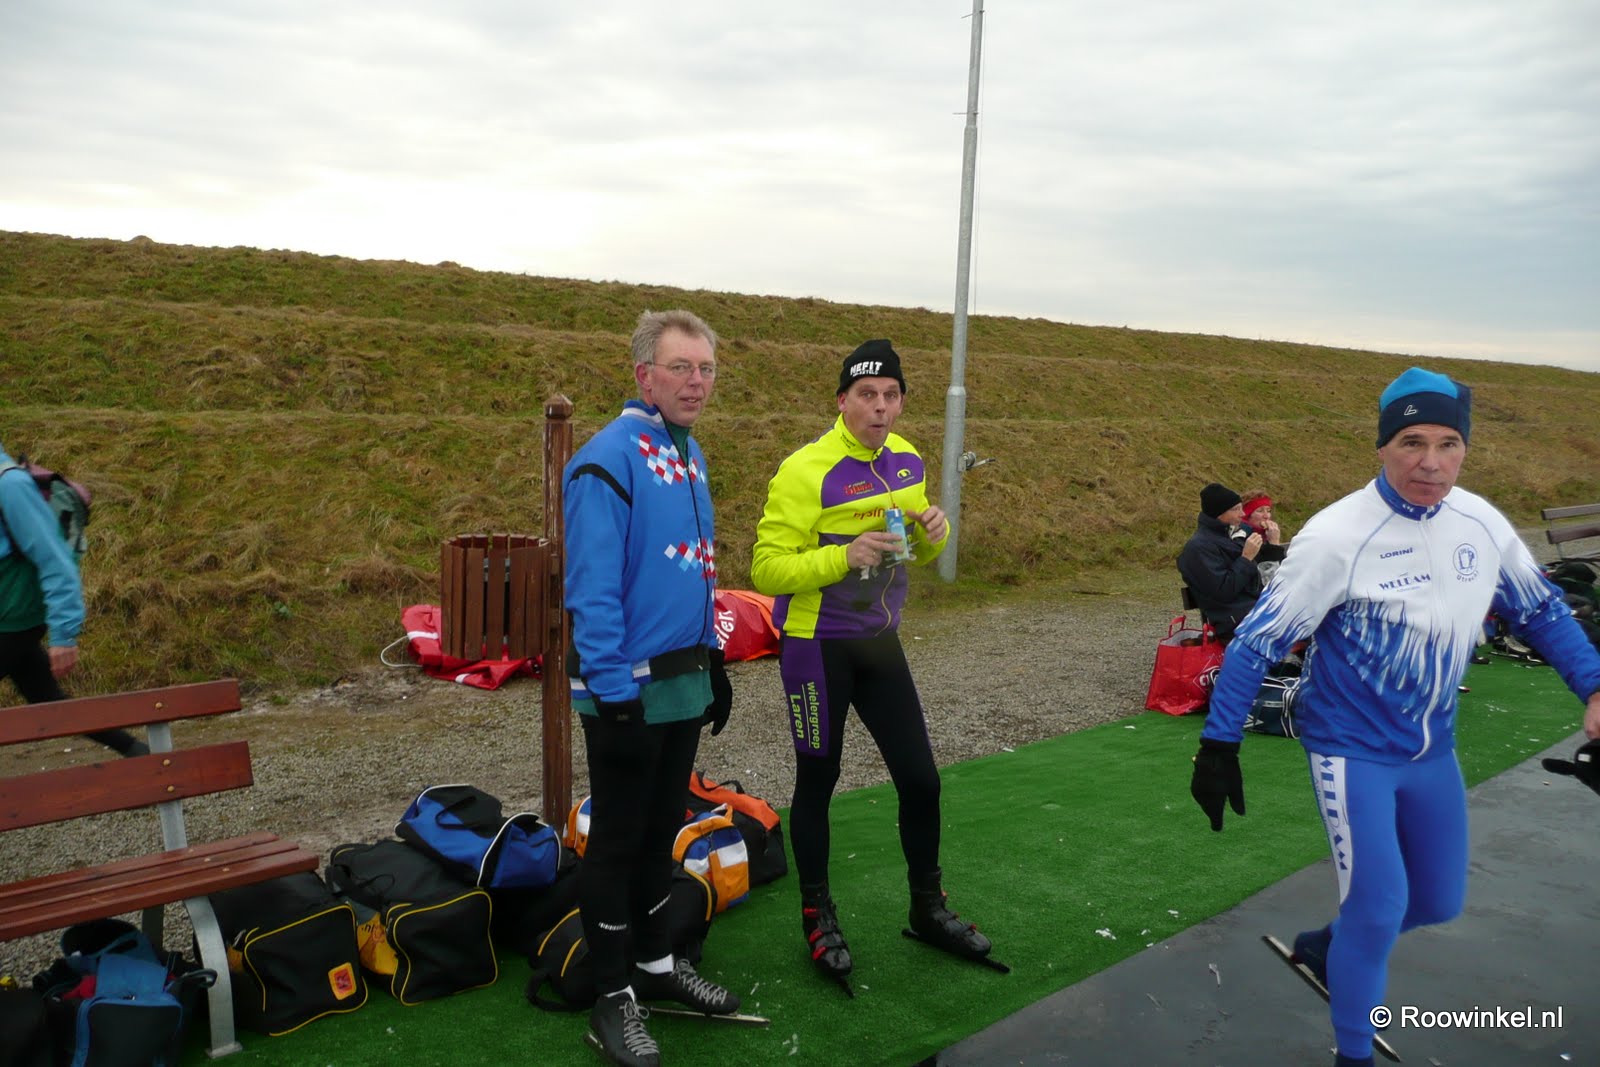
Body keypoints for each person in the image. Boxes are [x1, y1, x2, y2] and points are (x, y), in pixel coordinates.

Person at [1187, 367, 1600, 1067]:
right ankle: (1353, 1052)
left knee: (1435, 902)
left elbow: (1540, 611)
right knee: (1378, 910)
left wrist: (1593, 686)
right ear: (1382, 446)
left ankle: (1328, 946)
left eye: (1448, 443)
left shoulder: (1480, 523)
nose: (1430, 462)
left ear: (1464, 448)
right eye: (1412, 442)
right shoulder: (1337, 536)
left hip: (1431, 750)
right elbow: (1257, 641)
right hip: (1351, 750)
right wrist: (1218, 743)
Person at [750, 339, 995, 989]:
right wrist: (843, 554)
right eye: (866, 395)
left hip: (880, 642)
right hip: (816, 645)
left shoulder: (908, 460)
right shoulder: (805, 469)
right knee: (818, 780)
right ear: (842, 401)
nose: (880, 407)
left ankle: (927, 907)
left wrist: (932, 533)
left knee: (921, 780)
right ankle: (817, 913)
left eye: (891, 395)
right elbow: (765, 569)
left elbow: (909, 549)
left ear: (902, 402)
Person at [563, 309, 738, 1067]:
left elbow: (692, 569)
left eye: (706, 369)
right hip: (626, 691)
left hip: (682, 681)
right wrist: (613, 694)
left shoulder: (688, 451)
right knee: (617, 842)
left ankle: (658, 964)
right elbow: (591, 589)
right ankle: (612, 997)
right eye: (680, 368)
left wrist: (712, 661)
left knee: (663, 827)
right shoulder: (607, 458)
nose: (696, 382)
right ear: (645, 375)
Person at [1, 445, 143, 756]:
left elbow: (55, 560)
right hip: (10, 621)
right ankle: (138, 751)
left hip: (14, 622)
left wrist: (63, 634)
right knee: (49, 700)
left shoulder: (10, 486)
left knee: (47, 698)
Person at [1177, 482, 1265, 640]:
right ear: (1218, 513)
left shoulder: (1232, 536)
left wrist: (1273, 543)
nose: (1242, 514)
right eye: (1235, 509)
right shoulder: (1198, 548)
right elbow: (1224, 592)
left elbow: (1261, 577)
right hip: (1235, 622)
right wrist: (1246, 558)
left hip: (1255, 610)